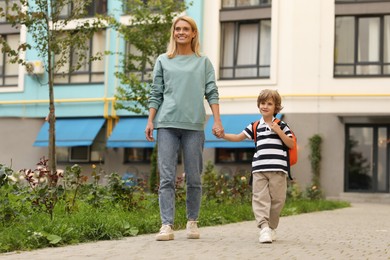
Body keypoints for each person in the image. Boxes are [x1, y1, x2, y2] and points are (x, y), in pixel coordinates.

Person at [145, 15, 224, 241]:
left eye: (185, 29)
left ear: (193, 33)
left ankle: (192, 222)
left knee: (194, 177)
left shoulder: (203, 62)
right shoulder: (163, 60)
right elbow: (155, 93)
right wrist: (151, 120)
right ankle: (166, 225)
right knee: (167, 177)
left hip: (194, 125)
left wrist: (217, 121)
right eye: (177, 28)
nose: (181, 32)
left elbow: (212, 92)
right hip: (167, 124)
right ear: (174, 32)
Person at [219, 89, 294, 243]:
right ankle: (264, 228)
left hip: (278, 169)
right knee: (260, 198)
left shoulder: (282, 124)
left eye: (269, 103)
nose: (265, 106)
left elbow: (291, 143)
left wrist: (279, 131)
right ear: (258, 105)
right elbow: (238, 137)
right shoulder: (254, 126)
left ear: (276, 107)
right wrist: (223, 135)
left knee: (278, 200)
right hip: (259, 168)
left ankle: (272, 227)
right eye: (262, 103)